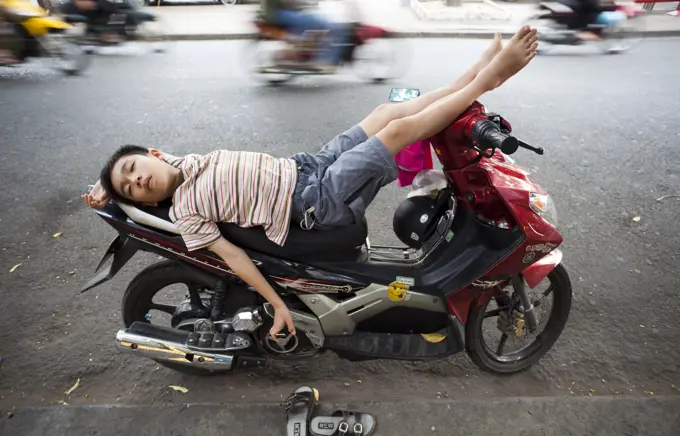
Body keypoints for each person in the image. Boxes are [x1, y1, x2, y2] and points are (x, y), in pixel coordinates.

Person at [83, 26, 540, 341]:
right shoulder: (185, 212)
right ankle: (490, 78)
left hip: (303, 167)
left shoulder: (181, 163)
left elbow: (127, 174)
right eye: (131, 188)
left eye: (134, 169)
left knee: (385, 113)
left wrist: (105, 186)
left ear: (155, 154)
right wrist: (276, 304)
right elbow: (233, 258)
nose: (137, 180)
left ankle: (470, 78)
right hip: (310, 204)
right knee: (396, 133)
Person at [260, 0, 349, 73]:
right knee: (318, 21)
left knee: (316, 20)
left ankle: (308, 51)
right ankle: (320, 59)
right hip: (277, 14)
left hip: (278, 13)